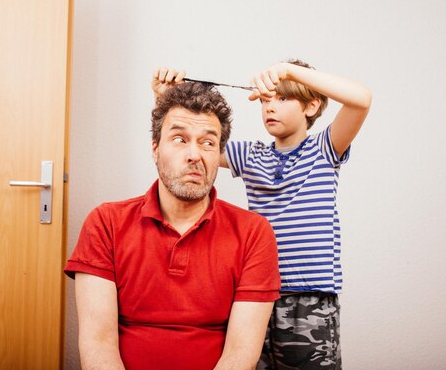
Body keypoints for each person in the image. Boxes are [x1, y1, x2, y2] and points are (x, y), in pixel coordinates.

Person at [152, 60, 372, 370]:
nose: (270, 108)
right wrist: (164, 98)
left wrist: (289, 71)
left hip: (309, 298)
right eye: (266, 100)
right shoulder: (251, 155)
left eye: (282, 99)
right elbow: (194, 147)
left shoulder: (324, 148)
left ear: (311, 106)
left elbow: (361, 99)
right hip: (255, 297)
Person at [65, 81, 281, 370]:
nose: (195, 154)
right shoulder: (105, 223)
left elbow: (242, 352)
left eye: (208, 143)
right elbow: (97, 342)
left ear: (218, 155)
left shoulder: (254, 232)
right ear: (155, 149)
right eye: (179, 139)